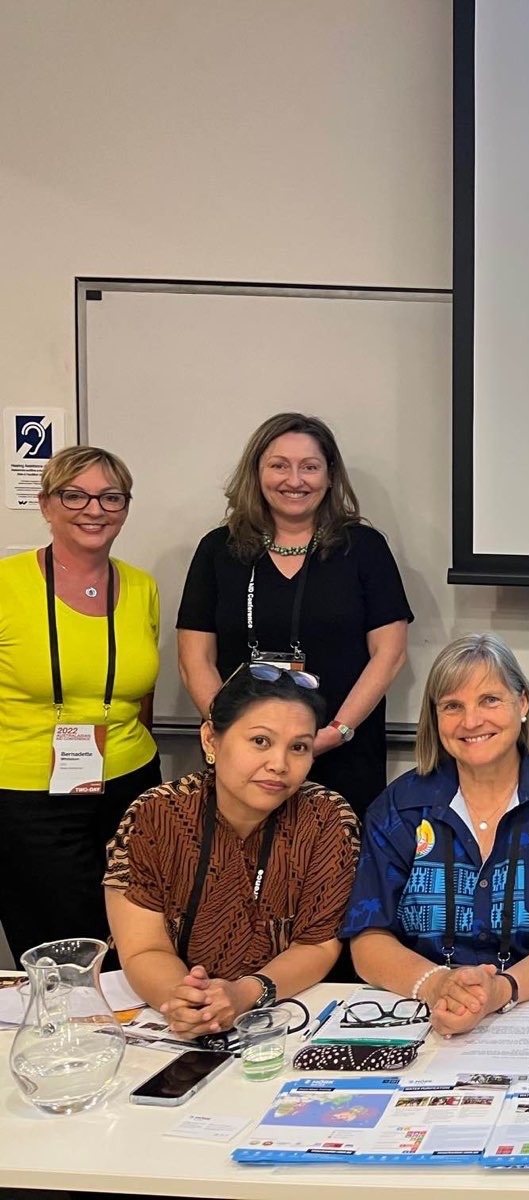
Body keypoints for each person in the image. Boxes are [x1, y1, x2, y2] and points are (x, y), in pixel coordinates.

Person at [342, 634, 529, 1035]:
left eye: (490, 700)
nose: (471, 722)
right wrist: (438, 985)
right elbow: (368, 939)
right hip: (422, 1011)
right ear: (435, 718)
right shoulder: (398, 808)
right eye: (453, 706)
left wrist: (500, 991)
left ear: (522, 704)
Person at [176, 412, 411, 820]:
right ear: (257, 472)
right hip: (243, 762)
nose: (295, 480)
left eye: (310, 467)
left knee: (334, 858)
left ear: (330, 475)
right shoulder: (218, 550)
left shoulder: (363, 548)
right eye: (279, 466)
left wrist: (334, 733)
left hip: (342, 754)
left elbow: (389, 654)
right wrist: (232, 733)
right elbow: (194, 658)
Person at [104, 664, 359, 1035]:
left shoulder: (326, 818)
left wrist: (245, 994)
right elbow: (144, 948)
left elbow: (317, 945)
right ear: (211, 739)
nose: (279, 765)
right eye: (260, 741)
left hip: (288, 1011)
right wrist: (186, 1003)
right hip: (169, 1013)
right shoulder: (157, 814)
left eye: (299, 747)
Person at [0, 446, 161, 959]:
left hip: (132, 789)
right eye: (75, 496)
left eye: (111, 497)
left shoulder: (142, 586)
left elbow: (141, 694)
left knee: (135, 943)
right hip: (29, 800)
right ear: (46, 504)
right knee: (61, 951)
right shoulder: (6, 585)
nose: (95, 510)